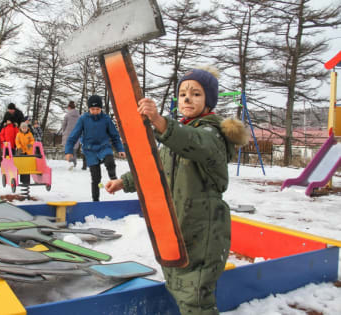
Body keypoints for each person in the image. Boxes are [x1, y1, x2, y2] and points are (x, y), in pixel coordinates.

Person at [105, 66, 249, 315]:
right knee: (178, 285)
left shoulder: (210, 134)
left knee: (195, 297)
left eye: (196, 94)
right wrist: (125, 181)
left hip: (204, 229)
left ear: (208, 101)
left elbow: (193, 143)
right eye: (183, 93)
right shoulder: (174, 136)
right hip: (177, 223)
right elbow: (156, 165)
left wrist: (160, 122)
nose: (187, 98)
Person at [65, 95, 126, 201]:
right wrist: (69, 150)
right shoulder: (83, 119)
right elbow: (73, 135)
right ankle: (95, 200)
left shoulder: (106, 119)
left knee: (110, 161)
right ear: (89, 109)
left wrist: (120, 149)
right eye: (92, 109)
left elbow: (114, 135)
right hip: (90, 150)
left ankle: (113, 179)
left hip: (104, 146)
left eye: (97, 109)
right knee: (96, 177)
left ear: (101, 109)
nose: (95, 111)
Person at [60, 101, 80, 169]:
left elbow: (64, 125)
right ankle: (74, 163)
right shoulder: (79, 116)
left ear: (69, 107)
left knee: (67, 150)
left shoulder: (67, 115)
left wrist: (64, 132)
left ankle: (71, 161)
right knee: (74, 150)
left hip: (68, 135)